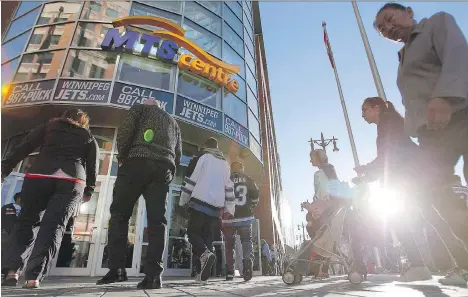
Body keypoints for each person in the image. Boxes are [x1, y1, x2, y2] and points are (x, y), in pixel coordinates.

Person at [374, 3, 468, 286]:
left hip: (460, 112)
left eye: (389, 19)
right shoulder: (403, 56)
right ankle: (464, 265)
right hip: (432, 133)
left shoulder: (436, 24)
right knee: (435, 195)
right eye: (382, 29)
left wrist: (445, 98)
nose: (388, 28)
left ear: (408, 11)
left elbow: (458, 55)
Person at [1, 109, 98, 288]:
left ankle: (12, 272)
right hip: (71, 180)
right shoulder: (87, 135)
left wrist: (5, 168)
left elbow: (25, 146)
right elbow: (92, 165)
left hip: (39, 176)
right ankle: (34, 278)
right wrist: (89, 190)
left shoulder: (48, 126)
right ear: (83, 121)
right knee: (54, 226)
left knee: (26, 222)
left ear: (63, 116)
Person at [96, 99, 182, 290]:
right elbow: (178, 152)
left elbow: (126, 132)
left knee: (119, 214)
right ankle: (153, 276)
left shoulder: (140, 109)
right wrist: (169, 171)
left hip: (137, 162)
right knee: (157, 222)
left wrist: (123, 157)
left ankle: (116, 270)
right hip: (163, 169)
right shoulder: (173, 123)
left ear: (148, 104)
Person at [354, 97, 432, 281]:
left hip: (407, 178)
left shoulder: (387, 124)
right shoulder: (388, 124)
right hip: (411, 176)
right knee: (418, 219)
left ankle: (419, 265)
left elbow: (388, 156)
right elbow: (387, 158)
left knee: (402, 219)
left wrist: (366, 170)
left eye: (364, 110)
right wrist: (367, 174)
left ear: (376, 107)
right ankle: (421, 264)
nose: (362, 115)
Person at [180, 137, 235, 282]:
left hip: (199, 201)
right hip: (215, 207)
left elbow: (193, 178)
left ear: (206, 146)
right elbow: (229, 187)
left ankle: (204, 257)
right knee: (206, 237)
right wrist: (229, 207)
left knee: (192, 233)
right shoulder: (225, 164)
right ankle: (202, 273)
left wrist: (183, 198)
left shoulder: (204, 157)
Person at [222, 161, 259, 281]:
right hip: (245, 216)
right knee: (246, 240)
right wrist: (251, 206)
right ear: (242, 169)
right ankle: (248, 263)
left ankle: (229, 271)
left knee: (229, 244)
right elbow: (256, 195)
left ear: (231, 169)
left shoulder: (226, 179)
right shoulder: (248, 179)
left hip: (229, 217)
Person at [1, 192, 22, 271]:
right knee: (3, 251)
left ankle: (7, 271)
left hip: (18, 235)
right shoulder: (7, 207)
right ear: (18, 198)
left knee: (12, 253)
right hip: (6, 234)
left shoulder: (26, 210)